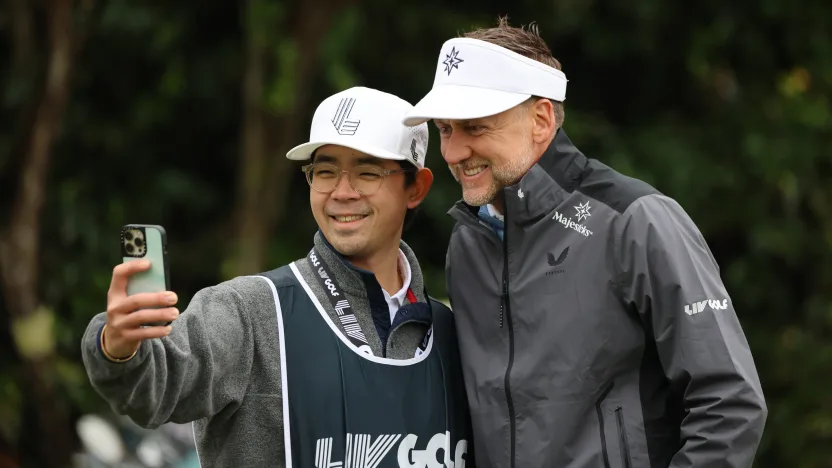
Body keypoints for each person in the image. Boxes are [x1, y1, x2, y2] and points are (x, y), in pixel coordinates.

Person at [402, 19, 767, 468]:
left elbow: (730, 404)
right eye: (445, 130)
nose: (454, 152)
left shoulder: (635, 220)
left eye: (475, 128)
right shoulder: (468, 243)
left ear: (541, 119)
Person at [82, 86, 473, 467]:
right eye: (324, 171)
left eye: (367, 173)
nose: (342, 191)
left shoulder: (452, 334)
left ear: (416, 188)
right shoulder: (249, 310)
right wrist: (119, 346)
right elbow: (155, 386)